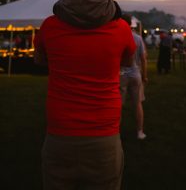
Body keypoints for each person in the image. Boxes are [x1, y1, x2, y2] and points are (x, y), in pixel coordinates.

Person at [34, 14, 136, 190]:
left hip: (60, 133)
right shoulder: (121, 27)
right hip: (104, 135)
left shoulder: (50, 25)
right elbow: (127, 61)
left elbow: (40, 60)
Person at [120, 14, 148, 140]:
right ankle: (140, 132)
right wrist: (145, 76)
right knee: (137, 104)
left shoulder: (118, 37)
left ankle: (115, 133)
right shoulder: (137, 38)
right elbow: (143, 58)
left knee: (118, 106)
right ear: (131, 24)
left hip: (121, 75)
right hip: (136, 74)